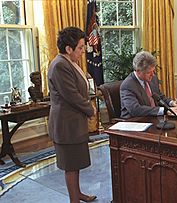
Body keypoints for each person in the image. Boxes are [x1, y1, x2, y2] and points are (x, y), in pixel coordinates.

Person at [47, 27, 97, 203]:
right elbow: (72, 95)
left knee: (75, 163)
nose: (83, 52)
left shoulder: (69, 62)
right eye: (80, 48)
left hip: (74, 123)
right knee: (70, 166)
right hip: (66, 125)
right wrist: (90, 109)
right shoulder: (60, 65)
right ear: (69, 48)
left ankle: (78, 193)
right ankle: (74, 200)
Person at [120, 51, 177, 119]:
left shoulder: (153, 79)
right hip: (134, 122)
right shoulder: (128, 85)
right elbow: (135, 110)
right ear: (138, 71)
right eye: (148, 72)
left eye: (153, 71)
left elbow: (159, 97)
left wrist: (172, 103)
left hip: (153, 118)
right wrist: (165, 110)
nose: (152, 75)